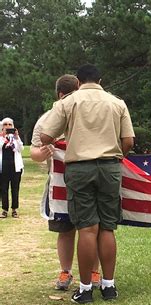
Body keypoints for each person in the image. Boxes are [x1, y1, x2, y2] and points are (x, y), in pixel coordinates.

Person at [40, 64, 135, 304]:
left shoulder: (68, 102)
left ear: (79, 82)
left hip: (80, 168)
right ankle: (109, 286)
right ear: (100, 80)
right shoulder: (117, 102)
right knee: (107, 227)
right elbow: (128, 141)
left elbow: (45, 137)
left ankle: (84, 290)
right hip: (110, 167)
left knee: (87, 228)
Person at [30, 74, 101, 291]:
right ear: (61, 95)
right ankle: (65, 271)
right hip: (60, 185)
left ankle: (93, 273)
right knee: (66, 229)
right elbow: (34, 152)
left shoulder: (89, 115)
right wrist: (42, 153)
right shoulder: (47, 119)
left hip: (88, 179)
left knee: (91, 229)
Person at [0, 118, 24, 218]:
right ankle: (4, 209)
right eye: (5, 124)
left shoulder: (15, 138)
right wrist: (3, 136)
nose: (8, 126)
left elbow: (21, 148)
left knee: (15, 188)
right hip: (3, 167)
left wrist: (17, 137)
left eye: (10, 124)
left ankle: (14, 209)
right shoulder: (1, 137)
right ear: (2, 126)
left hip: (15, 167)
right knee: (3, 189)